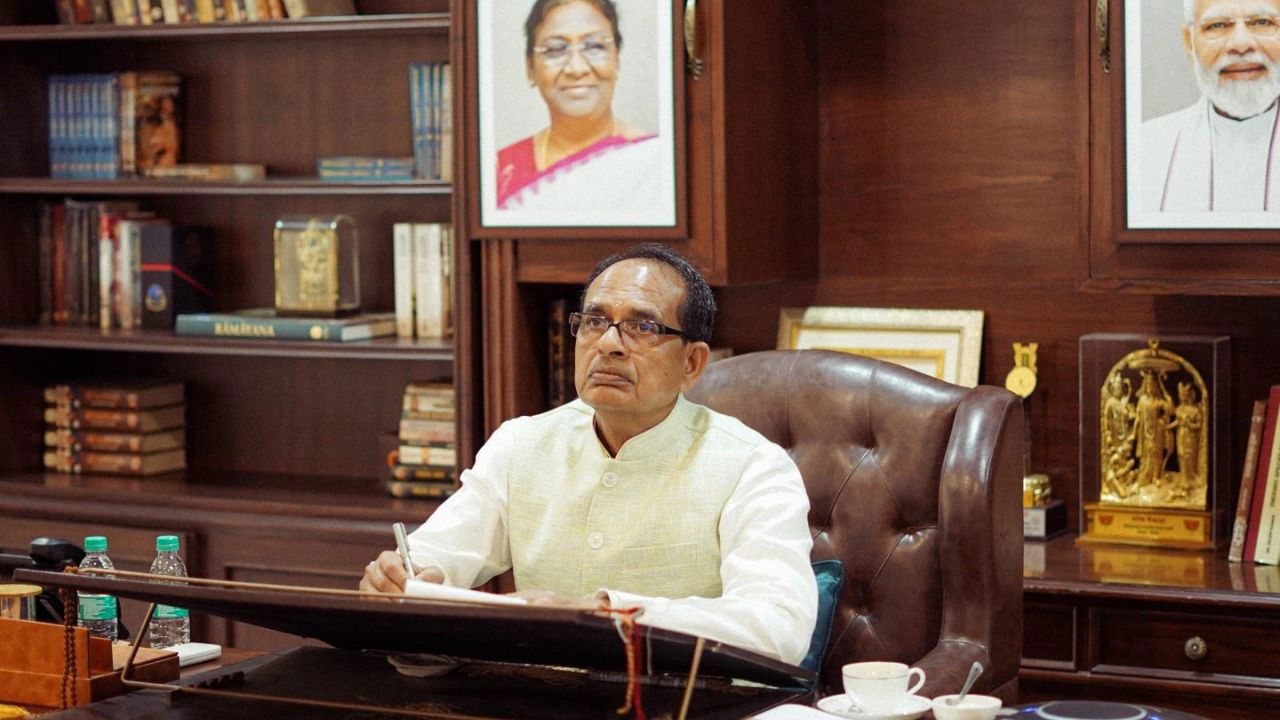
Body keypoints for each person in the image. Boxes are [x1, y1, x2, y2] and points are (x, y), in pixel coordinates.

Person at [361, 244, 818, 666]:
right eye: (595, 322)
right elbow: (437, 554)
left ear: (692, 364)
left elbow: (778, 628)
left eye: (643, 326)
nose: (609, 344)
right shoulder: (521, 444)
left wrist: (605, 614)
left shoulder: (753, 466)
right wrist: (403, 578)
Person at [495, 0, 670, 216]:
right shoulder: (501, 172)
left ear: (616, 59)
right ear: (530, 67)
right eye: (555, 49)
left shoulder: (657, 162)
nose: (576, 68)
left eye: (595, 46)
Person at [1138, 0, 1280, 212]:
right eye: (1217, 25)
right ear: (1189, 43)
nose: (1241, 44)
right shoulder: (1144, 151)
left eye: (1262, 22)